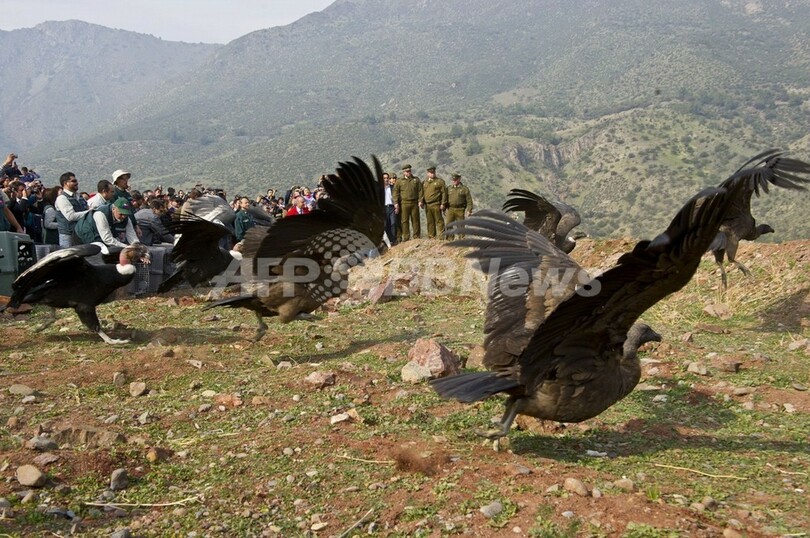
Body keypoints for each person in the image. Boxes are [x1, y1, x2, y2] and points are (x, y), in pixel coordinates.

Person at [74, 198, 138, 248]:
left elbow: (132, 236)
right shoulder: (101, 214)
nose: (123, 216)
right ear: (113, 209)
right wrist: (126, 247)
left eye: (126, 214)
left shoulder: (127, 218)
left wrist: (138, 247)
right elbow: (107, 239)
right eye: (121, 214)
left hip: (101, 235)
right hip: (82, 234)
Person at [54, 172, 90, 248]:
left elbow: (86, 207)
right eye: (73, 181)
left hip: (80, 233)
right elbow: (70, 216)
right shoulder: (62, 198)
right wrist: (89, 213)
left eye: (76, 181)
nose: (77, 183)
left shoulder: (79, 196)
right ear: (65, 183)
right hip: (68, 235)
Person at [393, 164, 422, 240]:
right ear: (404, 172)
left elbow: (420, 191)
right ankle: (406, 237)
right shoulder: (399, 181)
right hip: (404, 203)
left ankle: (416, 236)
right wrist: (396, 202)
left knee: (415, 220)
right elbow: (395, 192)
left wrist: (420, 201)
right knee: (404, 221)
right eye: (407, 171)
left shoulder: (416, 180)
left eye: (409, 171)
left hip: (414, 203)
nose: (408, 172)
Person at [420, 166, 448, 239]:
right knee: (430, 222)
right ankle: (431, 237)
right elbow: (422, 193)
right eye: (430, 173)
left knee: (439, 221)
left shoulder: (440, 181)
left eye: (433, 173)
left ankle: (441, 237)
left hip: (436, 204)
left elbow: (444, 193)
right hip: (427, 205)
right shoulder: (424, 182)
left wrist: (443, 203)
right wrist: (421, 201)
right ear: (427, 173)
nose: (432, 174)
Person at [445, 173, 474, 239]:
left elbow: (469, 200)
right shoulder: (449, 188)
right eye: (453, 180)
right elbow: (445, 198)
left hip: (460, 209)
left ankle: (461, 239)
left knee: (460, 225)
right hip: (450, 209)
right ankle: (449, 239)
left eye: (455, 180)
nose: (454, 181)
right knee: (448, 224)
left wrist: (469, 210)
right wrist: (444, 207)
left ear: (459, 179)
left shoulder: (464, 189)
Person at [382, 172, 398, 245]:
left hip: (392, 207)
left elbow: (396, 197)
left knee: (393, 223)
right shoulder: (379, 189)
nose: (386, 179)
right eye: (384, 178)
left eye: (387, 178)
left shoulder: (392, 187)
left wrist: (396, 206)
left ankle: (393, 240)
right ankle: (386, 241)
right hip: (383, 208)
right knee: (386, 225)